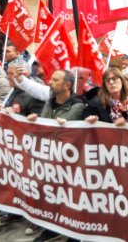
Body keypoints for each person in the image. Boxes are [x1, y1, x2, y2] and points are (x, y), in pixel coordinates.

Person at [27, 70, 86, 241]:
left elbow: (58, 132)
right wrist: (36, 119)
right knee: (51, 195)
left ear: (67, 85)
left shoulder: (78, 106)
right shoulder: (50, 103)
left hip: (70, 161)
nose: (50, 82)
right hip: (51, 159)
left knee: (68, 197)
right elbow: (45, 126)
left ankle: (69, 231)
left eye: (55, 79)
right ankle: (51, 228)